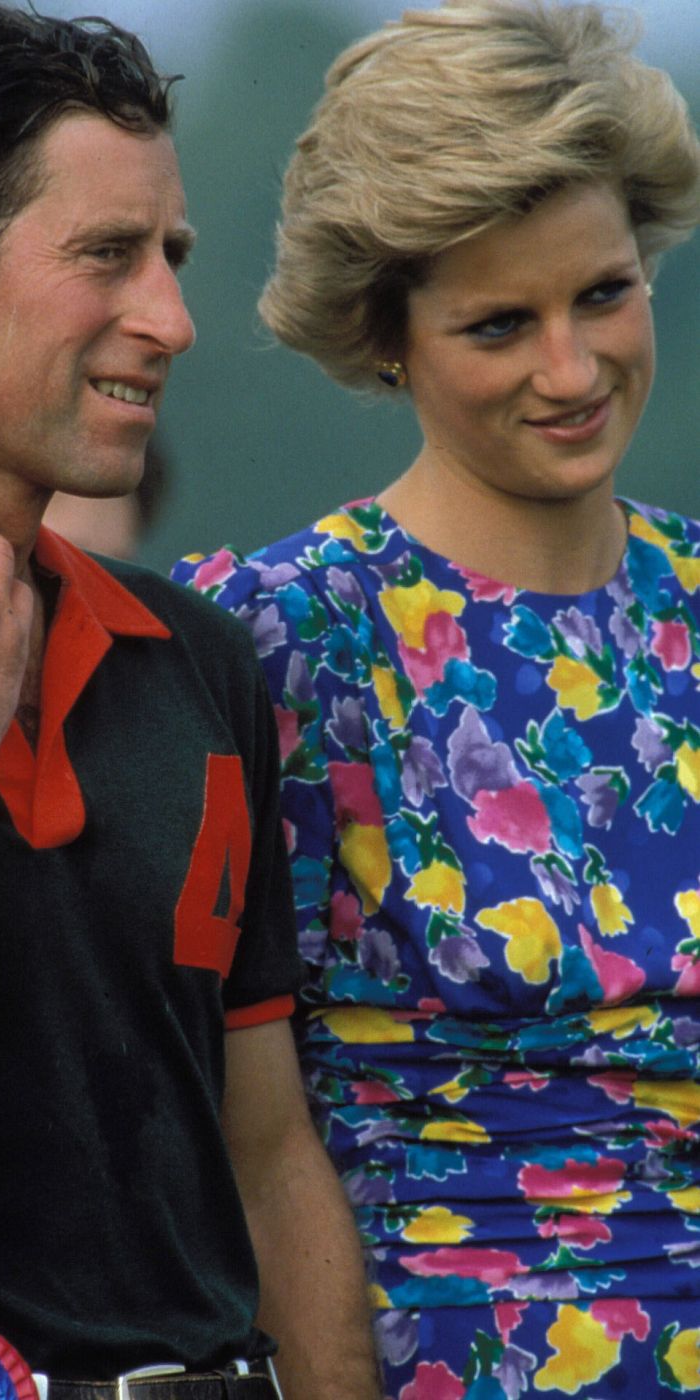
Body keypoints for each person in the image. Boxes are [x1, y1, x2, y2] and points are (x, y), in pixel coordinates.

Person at [173, 1, 700, 1394]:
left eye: (604, 294)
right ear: (386, 334)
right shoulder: (283, 640)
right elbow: (246, 1137)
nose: (572, 370)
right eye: (499, 324)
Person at [0, 6, 382, 1398]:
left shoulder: (202, 665)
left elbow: (266, 1151)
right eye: (107, 255)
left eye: (170, 256)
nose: (172, 320)